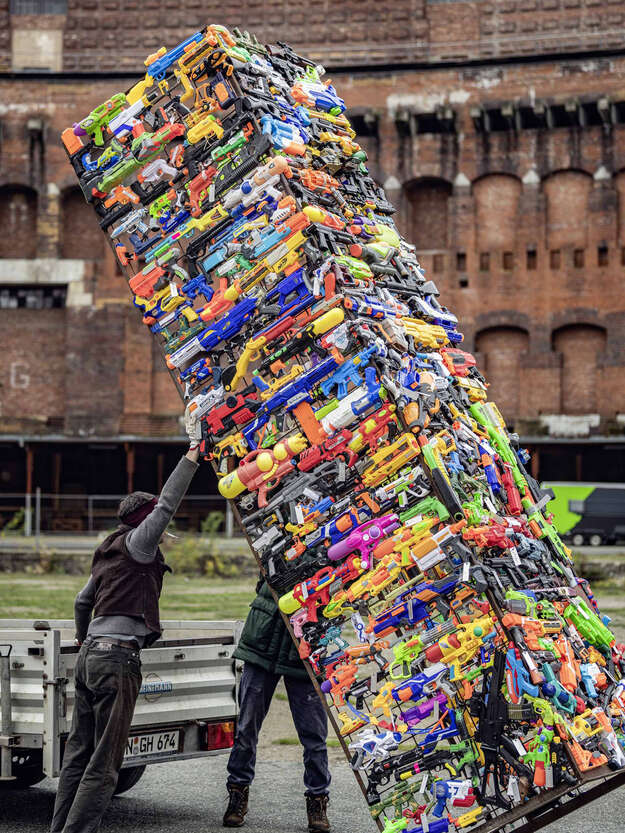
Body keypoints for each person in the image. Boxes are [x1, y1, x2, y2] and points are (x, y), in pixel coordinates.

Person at [50, 416, 202, 833]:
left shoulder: (109, 549)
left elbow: (83, 600)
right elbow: (168, 503)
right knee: (104, 765)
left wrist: (83, 638)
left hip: (89, 659)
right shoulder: (138, 542)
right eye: (154, 520)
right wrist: (192, 455)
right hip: (117, 663)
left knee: (77, 758)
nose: (162, 527)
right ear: (144, 520)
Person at [223, 579, 331, 833]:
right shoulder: (276, 541)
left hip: (305, 649)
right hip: (262, 642)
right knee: (246, 728)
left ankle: (317, 801)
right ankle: (237, 793)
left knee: (314, 735)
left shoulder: (328, 550)